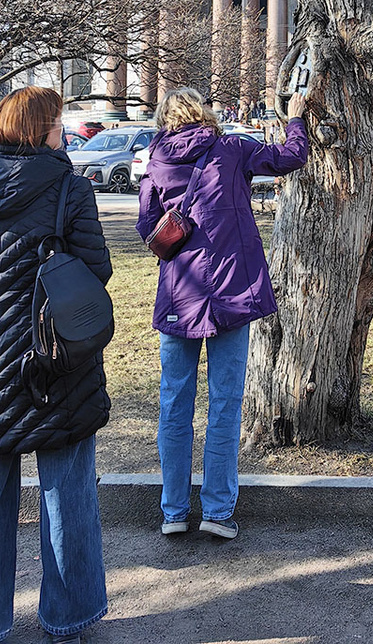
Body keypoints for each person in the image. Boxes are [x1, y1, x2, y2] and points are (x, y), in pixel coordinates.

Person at [0, 86, 110, 644]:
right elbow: (97, 271)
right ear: (40, 130)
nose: (65, 130)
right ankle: (69, 618)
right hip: (55, 362)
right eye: (59, 122)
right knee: (67, 492)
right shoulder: (70, 187)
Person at [137, 86, 309, 540]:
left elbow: (146, 227)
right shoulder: (231, 148)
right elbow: (290, 157)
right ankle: (216, 510)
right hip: (232, 292)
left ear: (164, 120)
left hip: (179, 295)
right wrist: (295, 119)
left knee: (174, 405)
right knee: (225, 404)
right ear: (204, 113)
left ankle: (174, 511)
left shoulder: (156, 160)